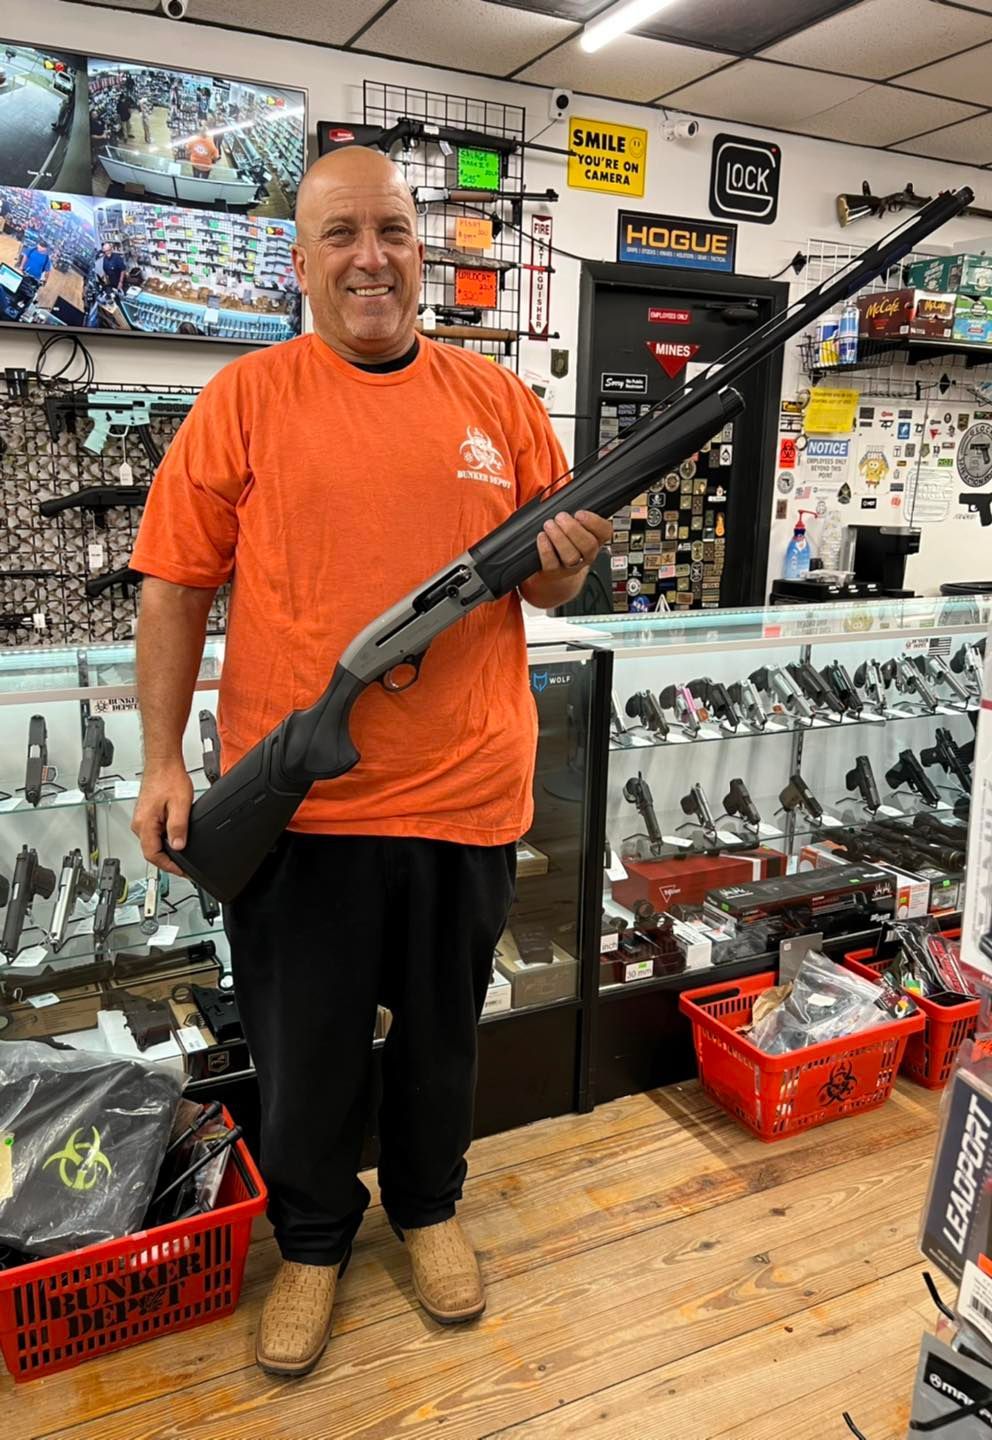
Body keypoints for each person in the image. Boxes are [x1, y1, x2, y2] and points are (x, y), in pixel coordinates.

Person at [128, 145, 610, 1380]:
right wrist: (162, 764)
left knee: (444, 1035)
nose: (370, 256)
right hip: (304, 803)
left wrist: (566, 552)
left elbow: (552, 584)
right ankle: (311, 1242)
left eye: (391, 229)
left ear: (420, 250)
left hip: (465, 795)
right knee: (306, 1050)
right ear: (298, 261)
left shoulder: (496, 399)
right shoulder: (244, 399)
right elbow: (174, 588)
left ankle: (431, 1211)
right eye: (339, 233)